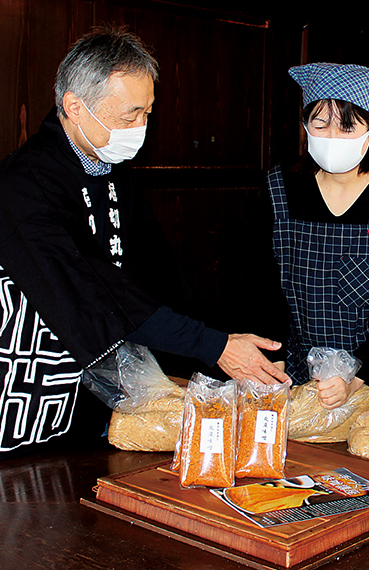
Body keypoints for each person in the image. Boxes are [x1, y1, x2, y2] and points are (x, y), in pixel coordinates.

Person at [0, 27, 289, 457]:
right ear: (75, 107)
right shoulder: (23, 184)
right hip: (30, 396)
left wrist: (222, 347)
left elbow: (160, 276)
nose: (141, 128)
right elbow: (96, 290)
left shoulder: (112, 167)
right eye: (129, 115)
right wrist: (215, 347)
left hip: (105, 394)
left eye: (148, 113)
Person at [254, 63, 369, 408]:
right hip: (293, 377)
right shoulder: (280, 187)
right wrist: (273, 369)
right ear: (305, 126)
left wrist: (357, 375)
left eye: (348, 126)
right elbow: (263, 285)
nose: (332, 137)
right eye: (320, 124)